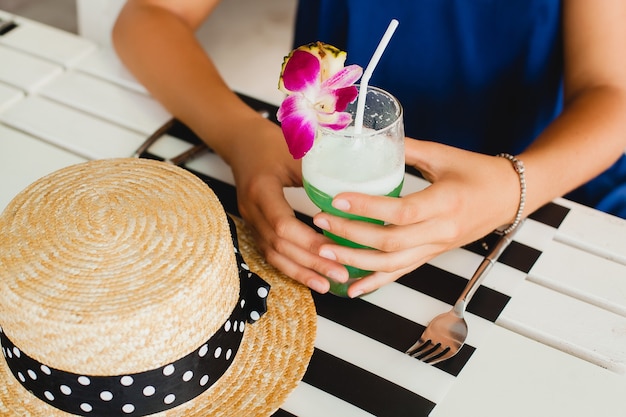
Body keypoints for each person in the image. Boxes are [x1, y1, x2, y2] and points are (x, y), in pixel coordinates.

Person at [112, 0, 626, 298]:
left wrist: (512, 188)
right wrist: (241, 137)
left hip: (549, 176)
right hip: (331, 173)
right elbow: (147, 16)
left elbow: (613, 89)